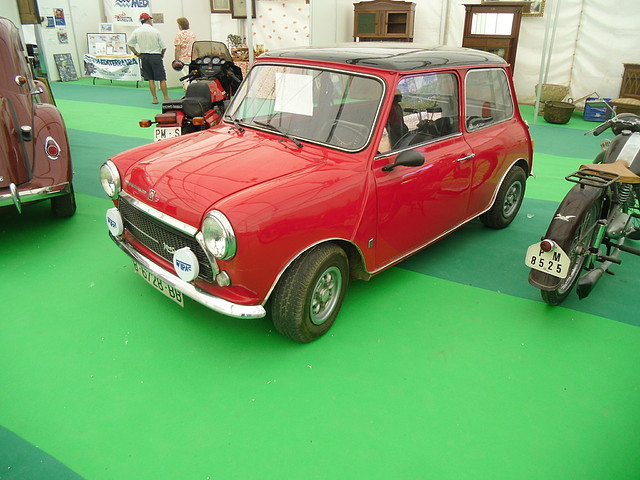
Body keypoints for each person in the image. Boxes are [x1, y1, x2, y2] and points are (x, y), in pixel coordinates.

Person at [127, 13, 170, 104]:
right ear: (149, 20)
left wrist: (136, 53)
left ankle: (154, 98)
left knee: (150, 78)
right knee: (162, 78)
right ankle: (166, 97)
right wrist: (161, 54)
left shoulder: (136, 31)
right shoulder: (156, 31)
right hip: (155, 56)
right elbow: (164, 47)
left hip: (144, 56)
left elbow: (129, 44)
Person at [174, 17, 196, 91]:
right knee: (192, 75)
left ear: (180, 25)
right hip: (192, 57)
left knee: (185, 76)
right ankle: (194, 90)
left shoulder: (179, 34)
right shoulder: (192, 34)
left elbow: (178, 48)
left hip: (183, 58)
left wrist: (176, 59)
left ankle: (188, 91)